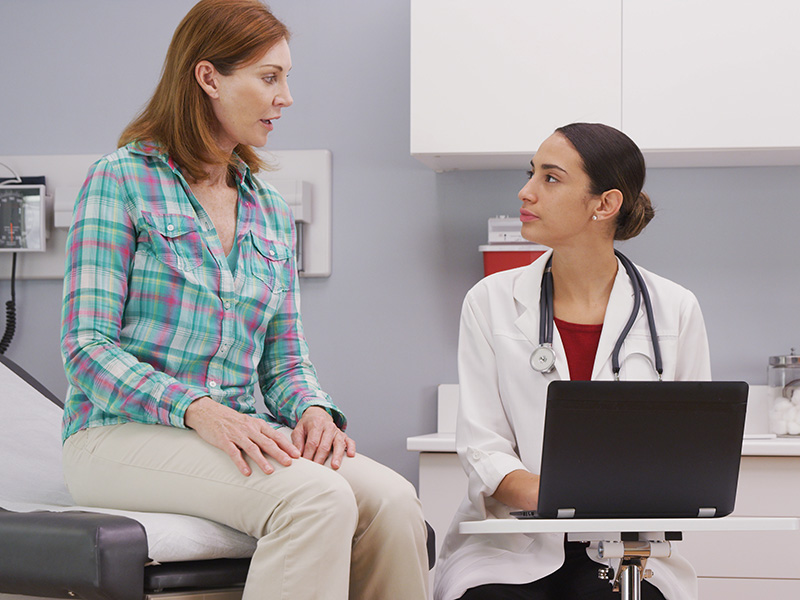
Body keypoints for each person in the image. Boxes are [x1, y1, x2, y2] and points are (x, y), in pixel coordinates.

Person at [59, 1, 429, 599]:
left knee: (394, 500)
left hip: (234, 433)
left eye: (286, 77)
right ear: (208, 78)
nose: (286, 96)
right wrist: (197, 409)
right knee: (316, 498)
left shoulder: (270, 212)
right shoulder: (120, 179)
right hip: (114, 434)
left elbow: (284, 363)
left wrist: (312, 410)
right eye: (269, 76)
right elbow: (86, 348)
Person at [433, 122, 711, 600]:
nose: (526, 191)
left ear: (604, 204)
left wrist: (587, 496)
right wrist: (574, 494)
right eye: (531, 173)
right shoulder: (490, 300)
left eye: (551, 178)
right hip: (511, 547)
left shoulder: (675, 308)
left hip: (630, 552)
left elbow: (693, 455)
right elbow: (484, 447)